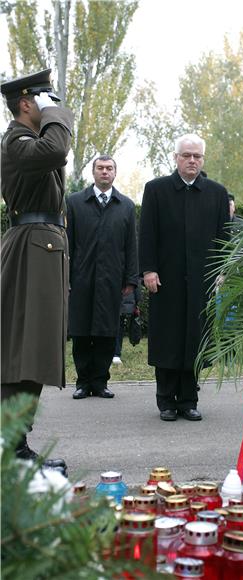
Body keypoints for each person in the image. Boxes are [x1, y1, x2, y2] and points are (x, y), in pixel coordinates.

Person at [1, 69, 73, 472]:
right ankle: (10, 445)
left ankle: (15, 442)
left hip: (41, 248)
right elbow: (56, 150)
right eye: (43, 99)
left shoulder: (26, 140)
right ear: (26, 103)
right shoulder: (15, 141)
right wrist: (56, 115)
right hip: (32, 249)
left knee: (33, 352)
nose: (51, 105)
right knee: (21, 353)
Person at [139, 133, 230, 421]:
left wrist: (222, 270)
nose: (192, 161)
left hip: (202, 281)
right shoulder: (156, 190)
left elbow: (223, 238)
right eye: (186, 155)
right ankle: (166, 401)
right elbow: (147, 234)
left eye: (197, 156)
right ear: (176, 157)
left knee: (194, 339)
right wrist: (149, 270)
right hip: (166, 280)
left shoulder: (216, 193)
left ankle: (189, 400)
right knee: (168, 338)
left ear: (203, 159)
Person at [67, 155, 138, 399]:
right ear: (93, 172)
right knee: (81, 331)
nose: (104, 172)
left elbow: (131, 246)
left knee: (107, 332)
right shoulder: (75, 203)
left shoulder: (126, 206)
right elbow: (69, 243)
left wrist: (131, 279)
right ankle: (82, 383)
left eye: (109, 168)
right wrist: (67, 278)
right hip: (81, 279)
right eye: (100, 168)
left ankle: (100, 382)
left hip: (112, 280)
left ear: (115, 173)